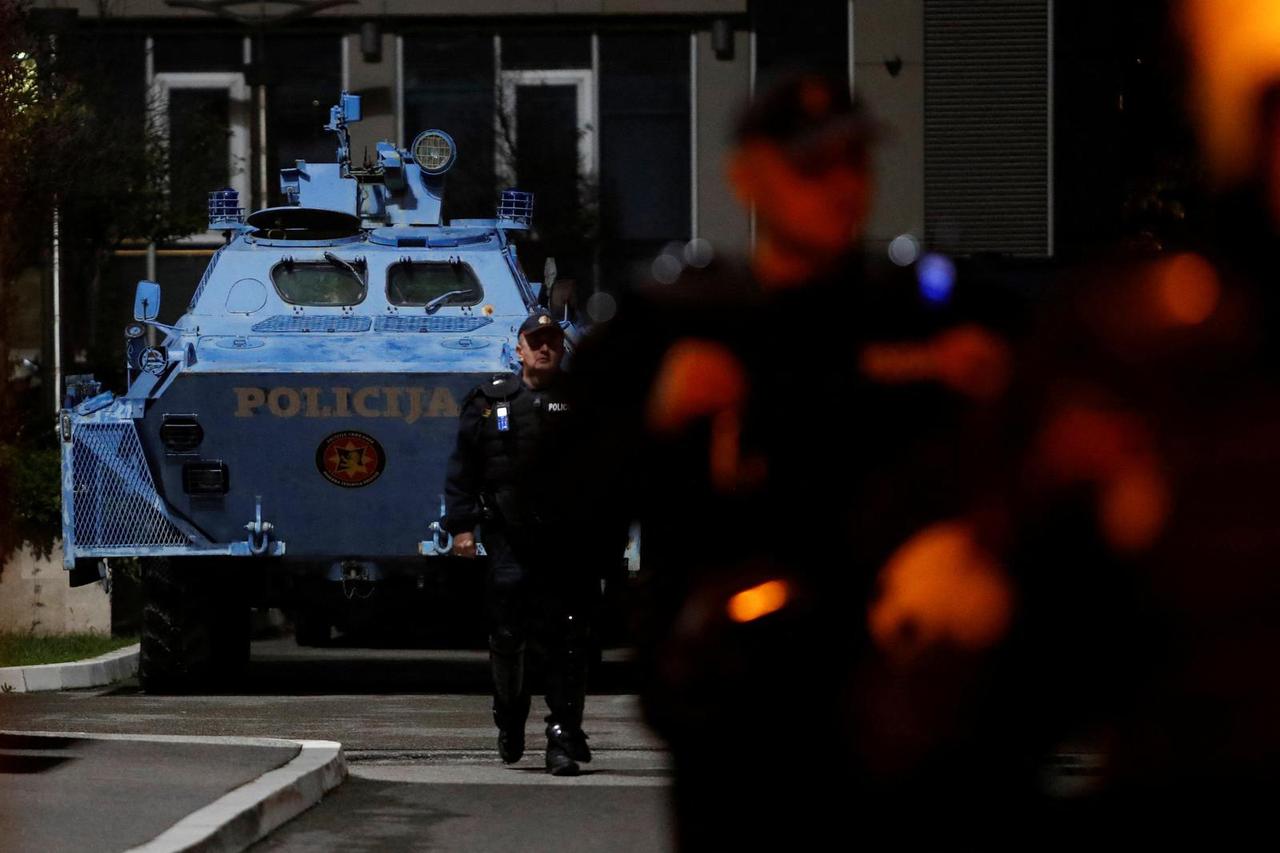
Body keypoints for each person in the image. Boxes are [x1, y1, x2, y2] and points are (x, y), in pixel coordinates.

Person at [570, 71, 1015, 846]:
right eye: (812, 166)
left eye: (856, 162)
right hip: (744, 728)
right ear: (747, 177)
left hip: (912, 720)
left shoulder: (927, 311)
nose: (842, 186)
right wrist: (656, 419)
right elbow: (558, 504)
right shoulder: (676, 323)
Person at [443, 310, 599, 776]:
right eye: (536, 341)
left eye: (552, 340)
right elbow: (462, 472)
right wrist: (462, 528)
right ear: (520, 349)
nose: (544, 348)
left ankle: (562, 738)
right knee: (509, 635)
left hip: (567, 542)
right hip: (509, 539)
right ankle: (510, 719)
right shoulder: (489, 403)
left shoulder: (583, 402)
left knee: (568, 639)